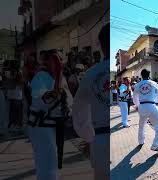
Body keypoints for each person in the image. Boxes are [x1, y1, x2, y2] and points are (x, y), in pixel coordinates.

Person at [28, 50, 72, 180]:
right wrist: (57, 81)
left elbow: (68, 100)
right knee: (46, 161)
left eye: (60, 59)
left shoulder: (60, 77)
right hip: (41, 126)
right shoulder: (40, 77)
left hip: (55, 125)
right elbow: (46, 97)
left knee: (54, 161)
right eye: (55, 60)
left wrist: (69, 113)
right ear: (48, 62)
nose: (58, 62)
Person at [72, 24, 109, 180]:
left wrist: (89, 137)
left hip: (100, 140)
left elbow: (79, 110)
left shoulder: (91, 74)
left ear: (100, 45)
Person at [133, 69, 158, 152]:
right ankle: (155, 145)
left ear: (141, 75)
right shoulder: (153, 83)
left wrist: (137, 105)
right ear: (149, 75)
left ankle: (141, 141)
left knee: (142, 124)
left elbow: (135, 97)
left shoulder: (137, 85)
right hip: (151, 105)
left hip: (142, 106)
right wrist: (155, 101)